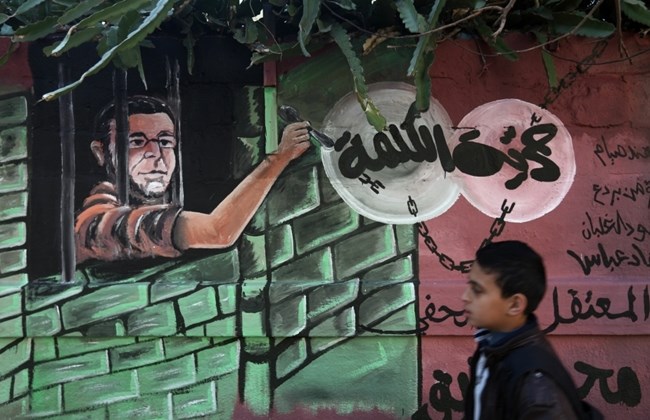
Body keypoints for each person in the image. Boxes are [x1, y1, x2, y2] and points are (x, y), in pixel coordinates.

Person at [75, 95, 310, 263]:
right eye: (136, 142)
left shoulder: (146, 204)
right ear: (100, 152)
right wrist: (279, 158)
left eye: (165, 141)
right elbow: (218, 231)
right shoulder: (97, 223)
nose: (157, 155)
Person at [461, 240, 602, 420]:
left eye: (477, 290)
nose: (465, 297)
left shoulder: (536, 388)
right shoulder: (490, 349)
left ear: (515, 304)